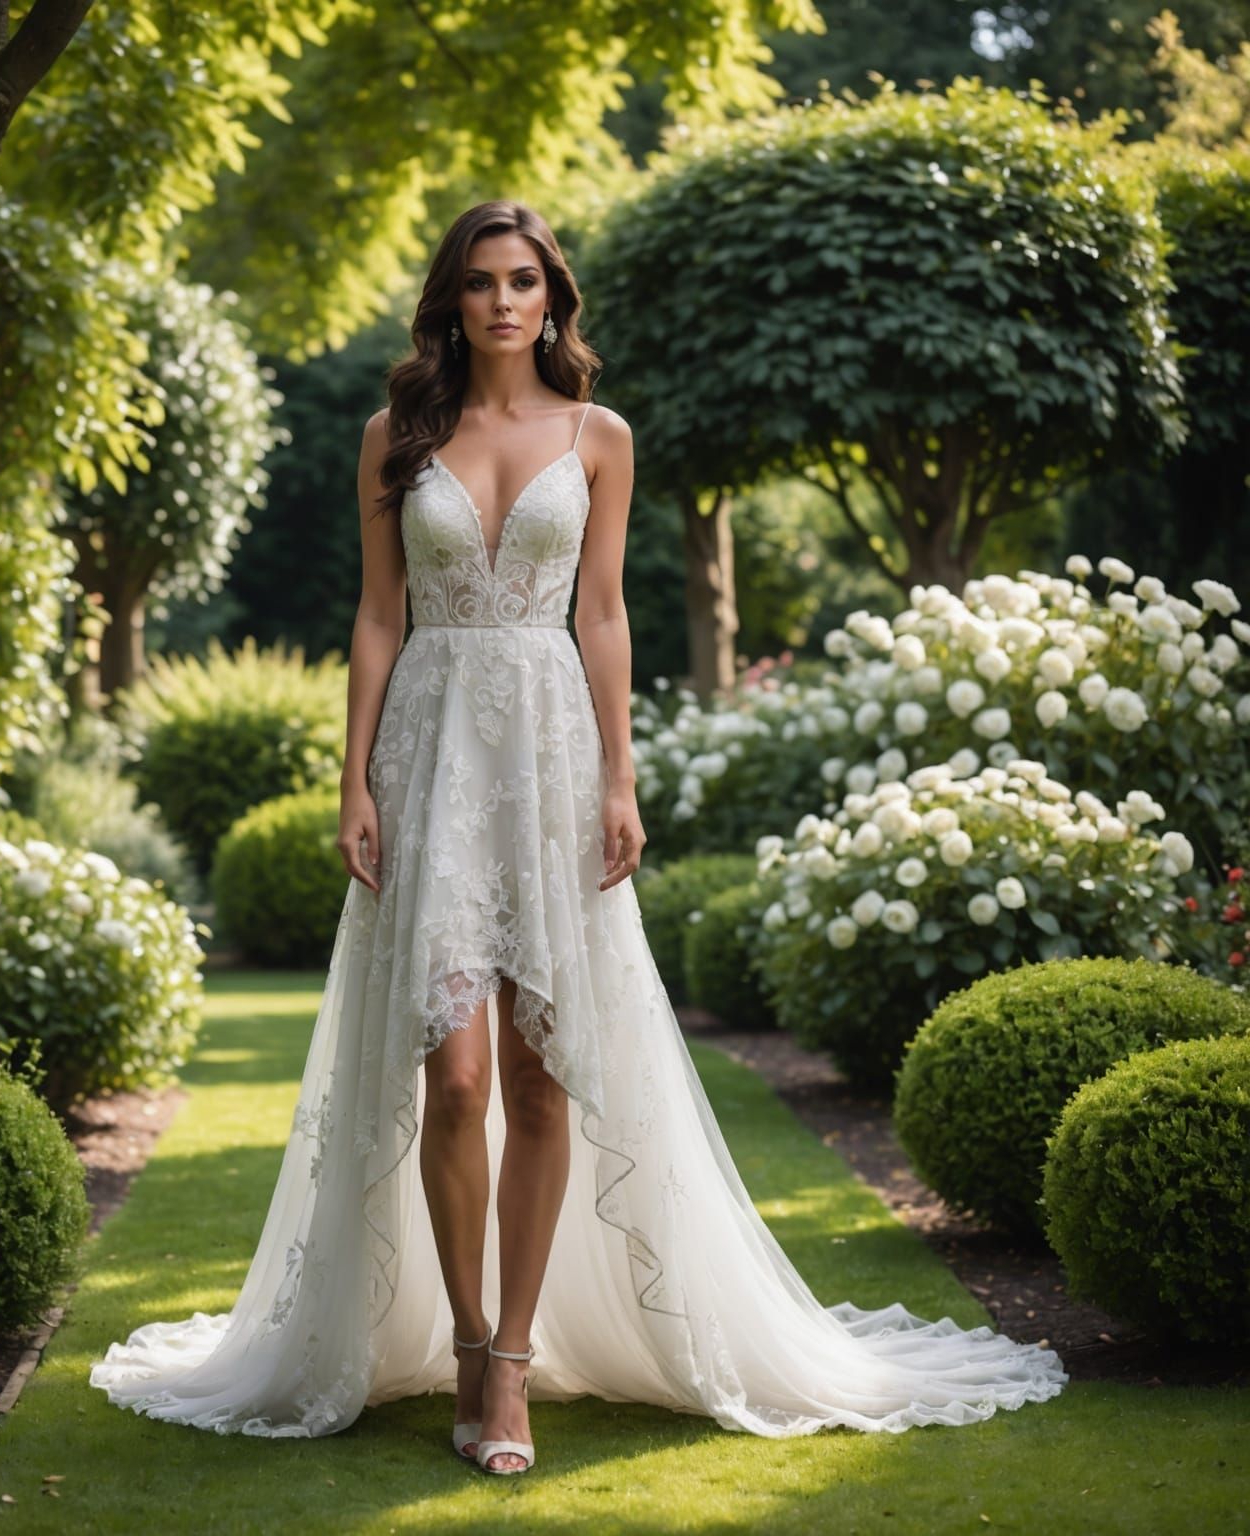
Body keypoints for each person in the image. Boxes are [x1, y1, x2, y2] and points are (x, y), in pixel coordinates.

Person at [89, 200, 1067, 1476]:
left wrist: (621, 775)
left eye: (525, 281)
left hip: (551, 756)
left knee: (545, 1073)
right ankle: (464, 1340)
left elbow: (601, 615)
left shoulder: (600, 436)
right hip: (431, 757)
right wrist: (353, 782)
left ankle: (510, 1374)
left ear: (552, 299)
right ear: (453, 301)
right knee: (451, 1077)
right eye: (483, 283)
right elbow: (378, 620)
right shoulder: (397, 435)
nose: (504, 302)